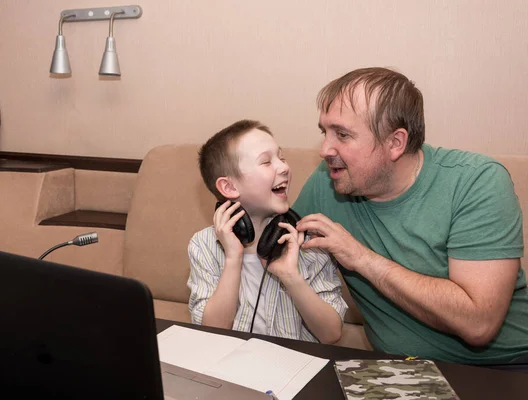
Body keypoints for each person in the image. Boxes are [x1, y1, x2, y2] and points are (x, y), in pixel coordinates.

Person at [293, 67, 528, 365]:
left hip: (503, 371)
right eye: (324, 132)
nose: (325, 149)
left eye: (342, 134)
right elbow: (273, 248)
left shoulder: (477, 182)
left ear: (395, 143)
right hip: (398, 373)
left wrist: (360, 257)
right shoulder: (328, 182)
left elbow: (478, 324)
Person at [187, 119, 348, 343]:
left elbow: (331, 334)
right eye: (266, 162)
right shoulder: (204, 245)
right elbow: (214, 332)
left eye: (281, 158)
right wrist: (233, 258)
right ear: (229, 187)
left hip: (295, 367)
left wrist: (290, 276)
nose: (284, 167)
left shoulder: (308, 243)